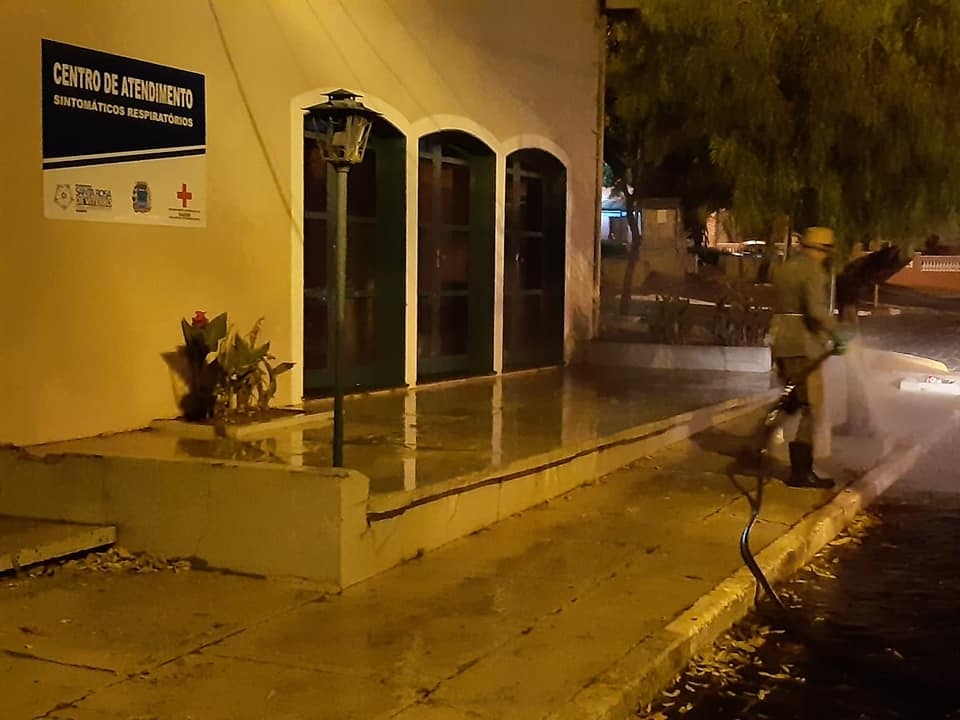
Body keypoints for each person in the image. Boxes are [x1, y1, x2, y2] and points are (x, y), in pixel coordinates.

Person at [770, 226, 846, 489]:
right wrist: (837, 333)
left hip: (781, 343)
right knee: (811, 407)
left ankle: (756, 444)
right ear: (824, 250)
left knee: (790, 402)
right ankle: (801, 473)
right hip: (804, 346)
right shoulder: (812, 271)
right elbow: (815, 311)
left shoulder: (784, 269)